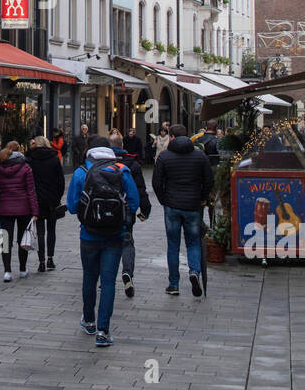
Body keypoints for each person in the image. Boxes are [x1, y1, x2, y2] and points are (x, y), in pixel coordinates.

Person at [67, 136, 139, 346]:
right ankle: (103, 331)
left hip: (88, 235)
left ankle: (89, 320)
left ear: (89, 149)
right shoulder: (121, 170)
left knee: (89, 277)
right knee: (108, 282)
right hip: (114, 236)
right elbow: (133, 202)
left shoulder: (82, 172)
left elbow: (72, 206)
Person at [152, 124, 210, 297]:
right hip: (193, 205)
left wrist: (164, 199)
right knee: (193, 242)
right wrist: (202, 197)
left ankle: (174, 284)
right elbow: (209, 179)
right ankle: (194, 272)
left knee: (173, 245)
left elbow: (156, 182)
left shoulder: (164, 157)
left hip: (172, 205)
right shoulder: (199, 156)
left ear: (171, 137)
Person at [0, 141, 39, 282]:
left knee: (5, 239)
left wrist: (2, 199)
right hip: (23, 208)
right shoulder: (25, 167)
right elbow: (31, 191)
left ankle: (7, 271)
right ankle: (22, 269)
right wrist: (35, 211)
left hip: (5, 208)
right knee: (22, 239)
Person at [109, 131, 151, 298]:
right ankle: (127, 273)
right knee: (127, 242)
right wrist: (144, 209)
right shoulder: (132, 165)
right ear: (122, 145)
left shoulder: (103, 163)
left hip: (106, 211)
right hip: (126, 209)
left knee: (108, 244)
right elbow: (140, 189)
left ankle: (107, 277)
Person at [25, 136, 65, 272]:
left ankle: (41, 261)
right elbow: (61, 181)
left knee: (40, 231)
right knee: (51, 230)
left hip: (37, 199)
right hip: (52, 199)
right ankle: (50, 259)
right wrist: (58, 196)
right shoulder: (54, 159)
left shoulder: (31, 159)